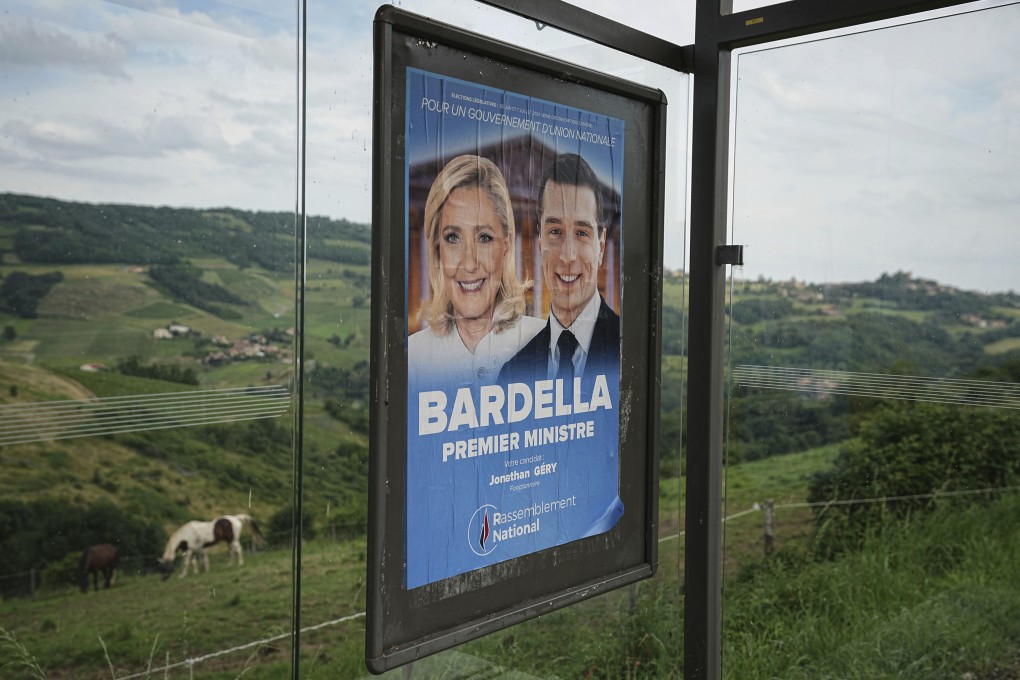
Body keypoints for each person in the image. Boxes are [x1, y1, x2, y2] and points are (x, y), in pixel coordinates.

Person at [408, 154, 544, 389]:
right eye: (453, 238)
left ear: (506, 247)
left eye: (484, 238)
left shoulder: (547, 346)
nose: (469, 263)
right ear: (437, 251)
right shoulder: (412, 361)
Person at [499, 153, 620, 386]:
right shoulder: (511, 374)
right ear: (540, 242)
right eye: (555, 231)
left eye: (582, 233)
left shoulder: (631, 353)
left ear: (601, 246)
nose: (567, 256)